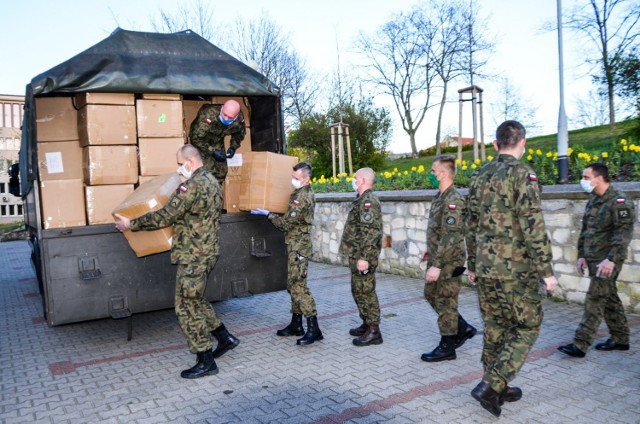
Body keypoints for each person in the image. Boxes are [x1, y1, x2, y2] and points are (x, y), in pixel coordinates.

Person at [114, 144, 239, 379]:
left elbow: (165, 216)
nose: (180, 168)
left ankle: (205, 359)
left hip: (193, 254)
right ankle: (225, 337)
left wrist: (131, 224)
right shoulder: (212, 181)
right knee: (196, 299)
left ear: (190, 162)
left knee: (185, 306)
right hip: (207, 251)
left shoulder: (190, 186)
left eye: (180, 164)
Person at [466, 120, 558, 417]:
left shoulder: (479, 176)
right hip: (515, 271)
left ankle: (499, 387)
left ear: (495, 145)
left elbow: (469, 226)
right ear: (523, 143)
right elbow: (533, 226)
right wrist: (546, 271)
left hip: (485, 268)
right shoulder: (523, 175)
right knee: (528, 326)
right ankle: (492, 385)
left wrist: (472, 265)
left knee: (495, 328)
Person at [558, 163, 635, 358]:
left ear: (599, 178)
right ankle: (621, 339)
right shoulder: (594, 201)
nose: (582, 181)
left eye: (586, 177)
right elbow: (586, 232)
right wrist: (582, 255)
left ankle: (580, 344)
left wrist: (611, 260)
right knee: (609, 299)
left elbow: (623, 234)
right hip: (593, 259)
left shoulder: (619, 202)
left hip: (608, 261)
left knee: (595, 300)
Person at [251, 162, 323, 346]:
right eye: (293, 177)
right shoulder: (298, 193)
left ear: (306, 179)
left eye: (297, 178)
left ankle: (314, 329)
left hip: (299, 247)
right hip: (294, 245)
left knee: (298, 286)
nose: (293, 181)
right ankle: (296, 324)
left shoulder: (303, 198)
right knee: (292, 284)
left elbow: (285, 224)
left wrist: (268, 214)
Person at [421, 155, 477, 363]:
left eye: (434, 171)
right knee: (430, 293)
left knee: (445, 301)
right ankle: (462, 328)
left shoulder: (453, 200)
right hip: (438, 257)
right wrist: (430, 251)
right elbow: (439, 231)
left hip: (449, 261)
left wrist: (436, 265)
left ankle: (447, 346)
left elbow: (452, 236)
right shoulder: (439, 197)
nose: (431, 174)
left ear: (443, 173)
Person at [340, 167, 384, 347]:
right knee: (357, 290)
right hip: (356, 254)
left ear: (363, 180)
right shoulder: (361, 200)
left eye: (355, 178)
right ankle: (366, 323)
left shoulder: (368, 202)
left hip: (363, 256)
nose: (354, 180)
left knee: (366, 292)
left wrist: (364, 257)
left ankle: (374, 331)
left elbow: (371, 232)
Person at [188, 99, 246, 186]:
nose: (226, 118)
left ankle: (216, 192)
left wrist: (233, 147)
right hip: (201, 140)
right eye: (224, 114)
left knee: (221, 171)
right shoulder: (207, 115)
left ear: (236, 116)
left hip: (217, 140)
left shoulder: (239, 119)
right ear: (222, 108)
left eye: (230, 117)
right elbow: (195, 137)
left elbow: (239, 134)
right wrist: (212, 151)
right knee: (205, 171)